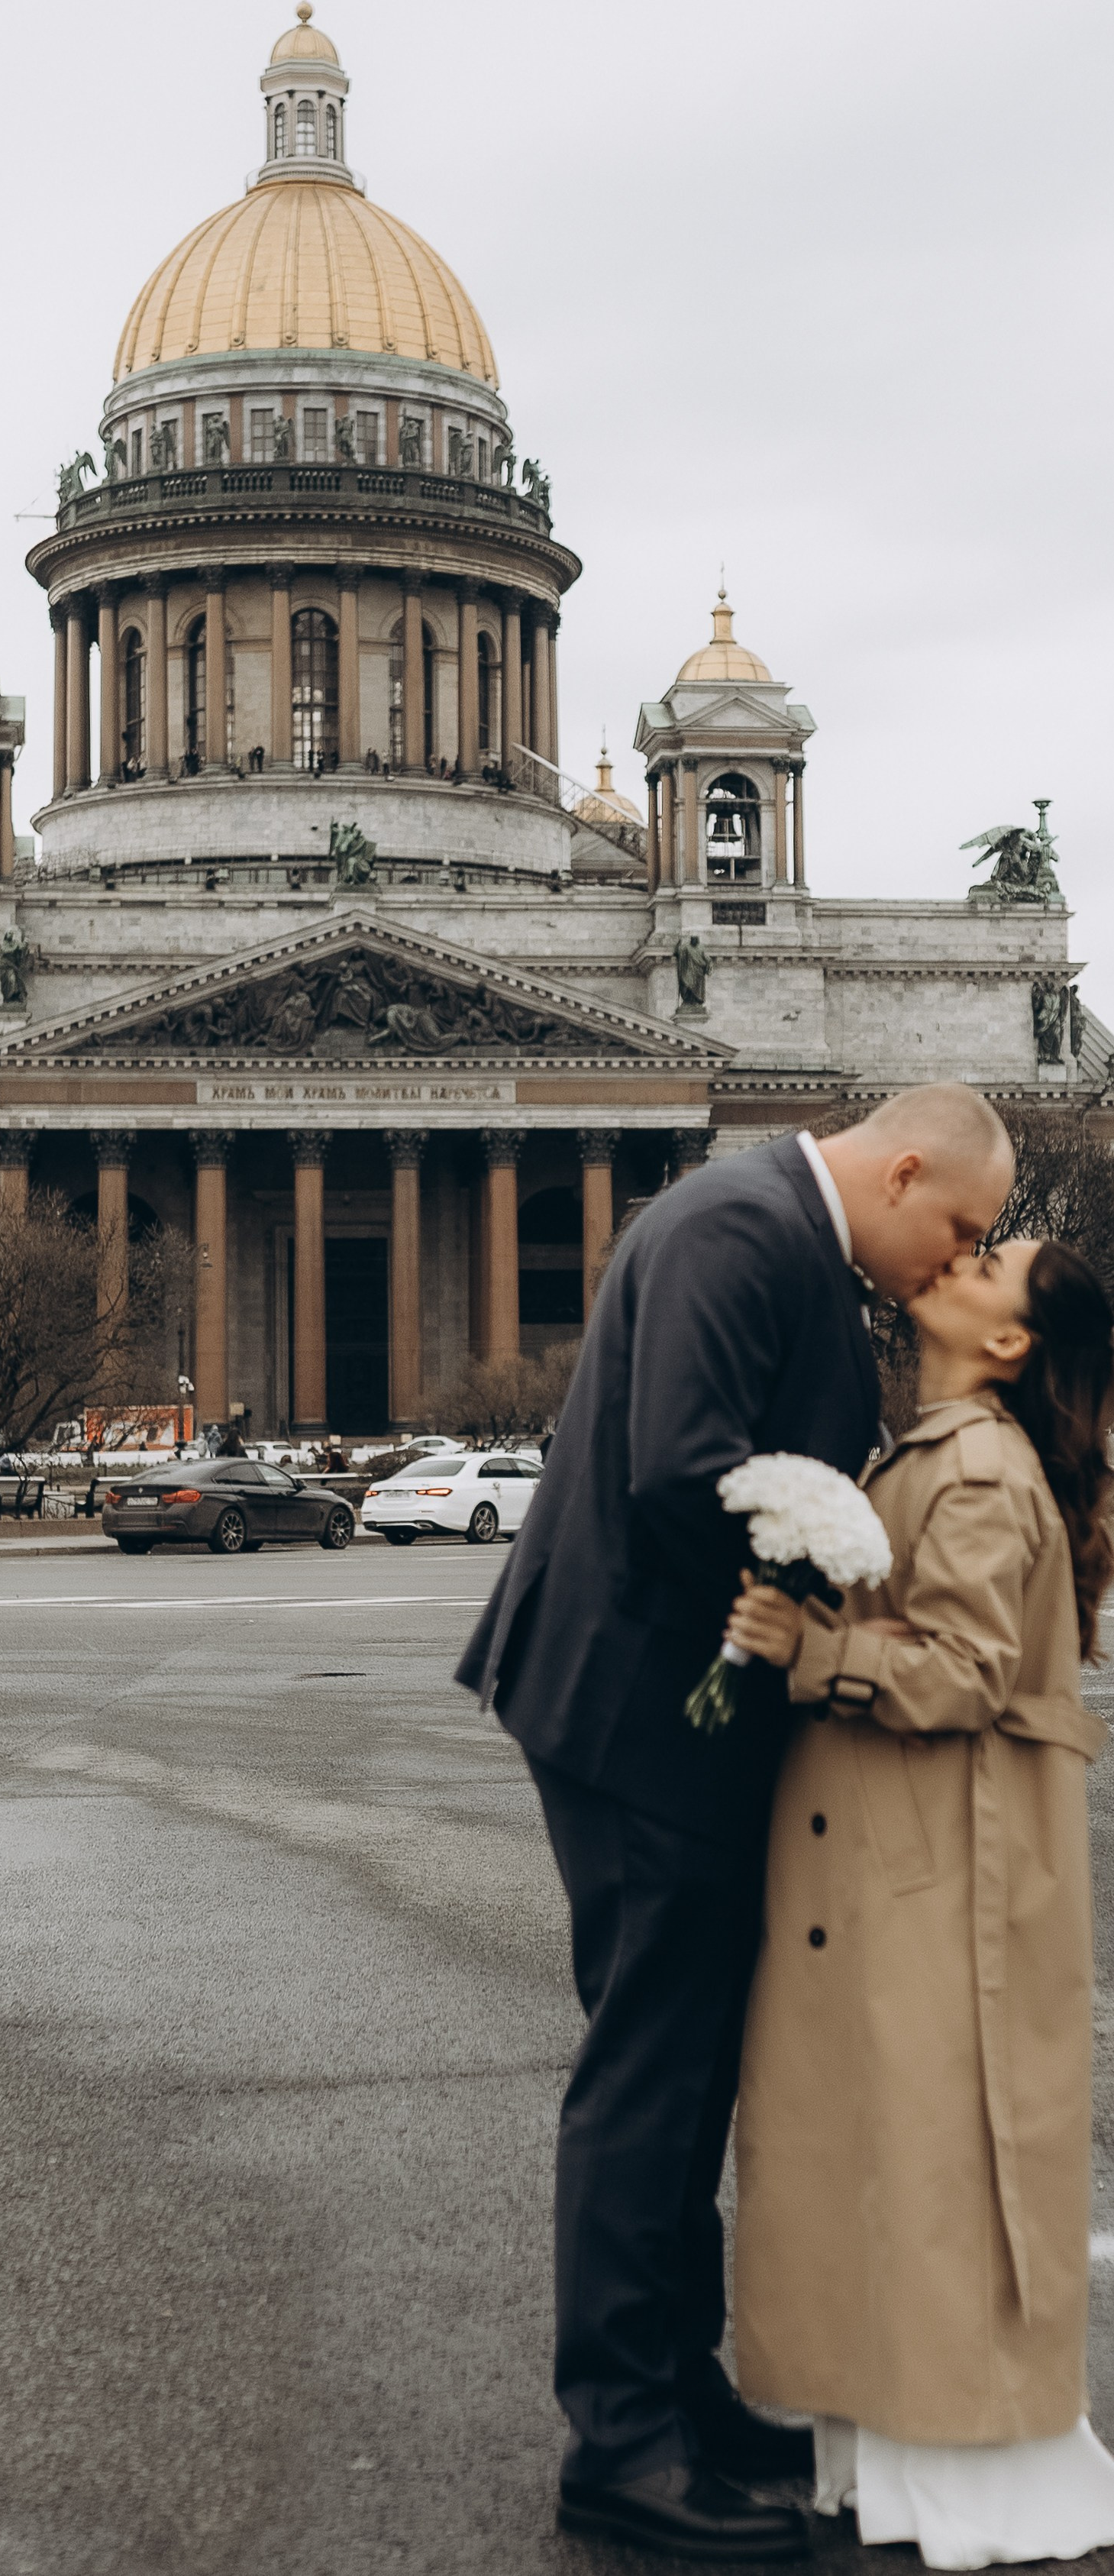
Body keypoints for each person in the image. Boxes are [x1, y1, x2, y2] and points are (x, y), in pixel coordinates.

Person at [456, 1086, 1015, 2560]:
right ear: (901, 1169)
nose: (951, 1261)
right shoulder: (740, 1229)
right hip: (643, 1715)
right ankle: (620, 2443)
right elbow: (679, 1471)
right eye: (956, 1227)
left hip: (653, 1708)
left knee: (684, 2061)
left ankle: (671, 2387)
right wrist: (832, 1591)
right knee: (649, 2069)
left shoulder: (760, 1226)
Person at [726, 1236, 1114, 2568]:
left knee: (937, 2164)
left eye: (991, 1259)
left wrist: (807, 1648)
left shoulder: (983, 1471)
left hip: (939, 1871)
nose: (960, 1253)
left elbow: (958, 1674)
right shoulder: (940, 1449)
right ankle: (895, 2457)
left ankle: (952, 2468)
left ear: (1012, 1342)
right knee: (893, 2161)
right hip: (906, 1855)